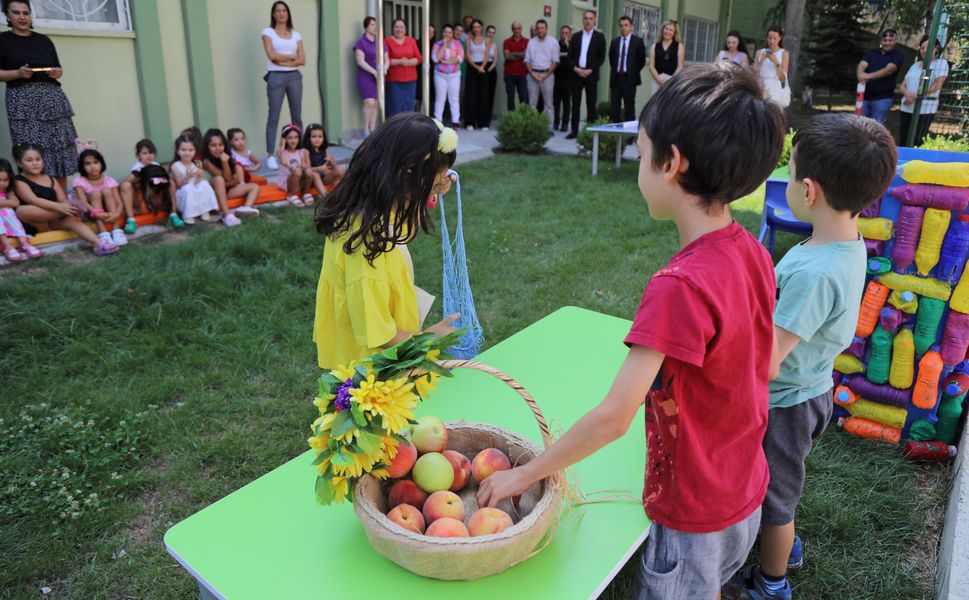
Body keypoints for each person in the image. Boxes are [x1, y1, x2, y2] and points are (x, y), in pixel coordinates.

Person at [476, 63, 785, 599]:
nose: (640, 167)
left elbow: (614, 417)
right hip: (745, 489)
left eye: (641, 156)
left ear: (671, 164)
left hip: (692, 513)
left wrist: (525, 474)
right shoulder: (754, 251)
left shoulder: (679, 286)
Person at [723, 114, 897, 600]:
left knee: (778, 497)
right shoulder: (843, 243)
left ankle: (772, 580)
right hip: (811, 389)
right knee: (779, 485)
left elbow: (769, 361)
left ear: (809, 191)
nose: (785, 179)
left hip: (785, 403)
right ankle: (781, 547)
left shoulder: (815, 274)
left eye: (790, 169)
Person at [313, 113, 460, 369]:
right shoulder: (367, 246)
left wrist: (429, 193)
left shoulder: (373, 209)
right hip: (369, 373)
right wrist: (430, 338)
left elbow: (403, 233)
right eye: (434, 182)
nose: (439, 185)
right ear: (407, 174)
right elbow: (381, 336)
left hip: (382, 355)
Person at [0, 1, 79, 192]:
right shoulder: (2, 40)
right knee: (31, 152)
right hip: (23, 101)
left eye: (26, 13)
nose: (22, 17)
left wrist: (56, 72)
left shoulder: (43, 40)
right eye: (16, 13)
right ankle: (37, 200)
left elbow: (58, 68)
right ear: (7, 16)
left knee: (59, 151)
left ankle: (62, 201)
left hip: (52, 98)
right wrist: (18, 73)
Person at [14, 143, 118, 256]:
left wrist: (68, 206)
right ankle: (66, 213)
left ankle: (98, 244)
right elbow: (33, 200)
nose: (35, 163)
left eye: (38, 159)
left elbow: (63, 199)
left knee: (73, 218)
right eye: (29, 160)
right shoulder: (19, 180)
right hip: (36, 223)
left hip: (55, 221)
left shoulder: (50, 179)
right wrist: (60, 208)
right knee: (22, 210)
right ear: (19, 163)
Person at [261, 1, 305, 170]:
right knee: (274, 116)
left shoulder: (296, 34)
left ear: (288, 13)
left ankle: (299, 151)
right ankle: (271, 154)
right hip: (276, 77)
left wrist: (284, 60)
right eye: (277, 11)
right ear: (273, 14)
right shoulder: (268, 32)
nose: (281, 13)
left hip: (294, 77)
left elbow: (303, 60)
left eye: (284, 10)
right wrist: (292, 59)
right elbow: (272, 56)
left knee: (297, 116)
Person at [119, 139, 183, 232]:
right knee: (126, 185)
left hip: (156, 199)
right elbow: (124, 183)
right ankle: (131, 221)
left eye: (151, 152)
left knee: (171, 182)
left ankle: (173, 214)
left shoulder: (156, 165)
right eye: (144, 153)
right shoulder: (137, 167)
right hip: (142, 201)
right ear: (138, 155)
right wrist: (139, 173)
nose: (148, 155)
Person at [201, 128, 260, 226]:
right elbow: (225, 179)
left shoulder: (228, 157)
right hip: (212, 192)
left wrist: (226, 164)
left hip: (226, 189)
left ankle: (246, 208)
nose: (217, 148)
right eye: (213, 145)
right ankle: (227, 215)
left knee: (255, 186)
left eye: (220, 145)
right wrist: (225, 164)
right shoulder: (206, 161)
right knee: (219, 179)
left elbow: (233, 180)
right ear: (207, 147)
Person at [899, 35, 949, 147]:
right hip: (906, 106)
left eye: (928, 47)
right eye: (922, 48)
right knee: (903, 139)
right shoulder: (915, 65)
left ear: (936, 48)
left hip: (925, 109)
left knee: (917, 140)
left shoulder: (941, 64)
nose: (925, 50)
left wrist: (916, 96)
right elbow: (902, 86)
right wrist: (907, 94)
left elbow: (937, 85)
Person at [72, 149, 125, 247]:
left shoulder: (109, 180)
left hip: (111, 214)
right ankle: (103, 233)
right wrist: (97, 213)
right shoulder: (80, 181)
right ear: (82, 167)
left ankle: (116, 229)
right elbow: (83, 202)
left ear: (101, 163)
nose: (92, 166)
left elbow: (119, 202)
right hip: (91, 214)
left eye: (95, 162)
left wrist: (117, 214)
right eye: (87, 164)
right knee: (95, 194)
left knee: (107, 191)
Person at [566, 10, 606, 139]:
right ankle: (574, 131)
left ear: (594, 20)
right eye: (586, 18)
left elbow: (601, 57)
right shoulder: (576, 36)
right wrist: (576, 68)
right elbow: (570, 56)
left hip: (591, 75)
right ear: (583, 20)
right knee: (576, 104)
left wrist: (590, 70)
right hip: (576, 74)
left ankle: (590, 133)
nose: (588, 21)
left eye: (590, 18)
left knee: (591, 104)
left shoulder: (599, 37)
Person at [856, 29, 903, 126]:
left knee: (876, 128)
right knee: (858, 125)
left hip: (883, 98)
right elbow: (862, 65)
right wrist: (860, 75)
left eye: (890, 40)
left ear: (895, 41)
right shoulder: (872, 52)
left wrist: (868, 76)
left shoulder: (897, 55)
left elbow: (889, 69)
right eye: (885, 40)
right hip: (864, 97)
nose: (887, 43)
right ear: (881, 41)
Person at [170, 134, 218, 225]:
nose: (187, 153)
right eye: (183, 150)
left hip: (194, 193)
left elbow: (197, 183)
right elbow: (180, 185)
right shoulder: (175, 166)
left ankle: (204, 209)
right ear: (177, 151)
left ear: (195, 151)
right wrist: (187, 177)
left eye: (190, 150)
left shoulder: (196, 163)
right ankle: (188, 214)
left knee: (204, 183)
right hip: (183, 195)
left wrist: (199, 176)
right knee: (188, 187)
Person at [0, 157, 41, 261]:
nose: (2, 184)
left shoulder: (7, 191)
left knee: (8, 211)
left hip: (8, 217)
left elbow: (15, 202)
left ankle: (24, 242)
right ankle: (6, 245)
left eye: (5, 180)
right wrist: (6, 203)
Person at [609, 16, 647, 124]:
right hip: (616, 78)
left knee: (629, 107)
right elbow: (612, 59)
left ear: (631, 27)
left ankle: (629, 136)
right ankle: (614, 134)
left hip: (629, 79)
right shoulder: (614, 42)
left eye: (626, 25)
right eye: (621, 26)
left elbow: (641, 61)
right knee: (614, 108)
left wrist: (631, 71)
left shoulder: (638, 41)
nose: (623, 28)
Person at [384, 18, 422, 118]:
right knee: (394, 107)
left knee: (409, 107)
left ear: (405, 29)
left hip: (411, 80)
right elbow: (384, 60)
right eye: (396, 27)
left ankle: (407, 131)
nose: (399, 29)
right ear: (393, 28)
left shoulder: (411, 41)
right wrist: (400, 62)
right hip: (394, 80)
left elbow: (419, 58)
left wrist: (410, 62)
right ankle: (394, 131)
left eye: (401, 27)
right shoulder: (387, 41)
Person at [524, 19, 558, 127]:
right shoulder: (531, 42)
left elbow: (555, 61)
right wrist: (533, 74)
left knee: (548, 104)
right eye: (538, 28)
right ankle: (532, 126)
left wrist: (546, 76)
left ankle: (549, 128)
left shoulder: (553, 42)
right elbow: (527, 60)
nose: (540, 30)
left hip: (547, 75)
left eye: (542, 28)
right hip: (532, 74)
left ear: (546, 29)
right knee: (532, 103)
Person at [463, 19, 493, 130]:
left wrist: (482, 66)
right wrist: (476, 67)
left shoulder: (487, 39)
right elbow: (468, 55)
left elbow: (487, 54)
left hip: (483, 68)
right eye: (474, 27)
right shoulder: (468, 40)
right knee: (471, 95)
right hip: (472, 68)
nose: (476, 29)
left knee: (483, 95)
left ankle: (483, 123)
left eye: (478, 27)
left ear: (481, 27)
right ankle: (470, 123)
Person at [432, 24, 463, 126]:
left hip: (454, 74)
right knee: (440, 98)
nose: (447, 34)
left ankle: (455, 121)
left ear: (452, 33)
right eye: (445, 32)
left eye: (450, 32)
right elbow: (435, 59)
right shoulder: (437, 44)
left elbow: (460, 59)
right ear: (442, 33)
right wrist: (444, 47)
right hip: (440, 74)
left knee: (454, 98)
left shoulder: (457, 44)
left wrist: (445, 62)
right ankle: (438, 121)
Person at [276, 123, 314, 207]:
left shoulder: (302, 151)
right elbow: (283, 162)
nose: (293, 140)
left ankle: (305, 193)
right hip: (287, 182)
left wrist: (304, 166)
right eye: (290, 138)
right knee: (297, 171)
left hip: (299, 181)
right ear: (284, 139)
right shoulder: (281, 152)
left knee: (309, 171)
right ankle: (291, 195)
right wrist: (282, 145)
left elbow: (306, 166)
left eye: (296, 137)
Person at [353, 16, 379, 138]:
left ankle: (373, 129)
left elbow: (386, 57)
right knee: (369, 101)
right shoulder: (361, 42)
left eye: (376, 24)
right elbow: (360, 61)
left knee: (375, 103)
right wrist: (374, 72)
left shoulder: (379, 42)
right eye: (372, 24)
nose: (375, 27)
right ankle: (366, 129)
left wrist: (385, 67)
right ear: (366, 26)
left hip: (378, 77)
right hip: (365, 76)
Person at [755, 25, 791, 110]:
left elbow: (783, 77)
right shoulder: (760, 52)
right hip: (761, 88)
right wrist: (760, 63)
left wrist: (776, 62)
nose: (772, 41)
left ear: (780, 38)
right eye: (769, 38)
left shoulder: (784, 53)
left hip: (775, 90)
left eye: (775, 38)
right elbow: (754, 74)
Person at [303, 123, 342, 197]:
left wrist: (331, 162)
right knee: (315, 175)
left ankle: (341, 192)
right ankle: (325, 195)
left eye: (320, 136)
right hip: (311, 180)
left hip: (324, 178)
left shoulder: (325, 149)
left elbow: (332, 166)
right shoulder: (306, 151)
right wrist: (320, 168)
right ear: (308, 137)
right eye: (314, 136)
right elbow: (307, 170)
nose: (317, 139)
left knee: (340, 170)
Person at [648, 20, 684, 95]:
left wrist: (671, 80)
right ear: (662, 30)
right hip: (657, 80)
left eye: (671, 30)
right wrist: (659, 80)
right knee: (656, 105)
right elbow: (651, 66)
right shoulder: (655, 46)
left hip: (672, 81)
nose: (668, 31)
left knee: (670, 105)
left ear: (674, 33)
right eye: (666, 29)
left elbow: (680, 66)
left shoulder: (679, 46)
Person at [503, 21, 529, 111]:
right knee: (510, 97)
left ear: (521, 29)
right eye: (515, 28)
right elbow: (507, 56)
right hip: (509, 74)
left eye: (518, 28)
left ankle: (523, 119)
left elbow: (527, 55)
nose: (517, 30)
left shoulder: (527, 41)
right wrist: (521, 55)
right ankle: (511, 118)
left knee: (523, 98)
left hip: (522, 73)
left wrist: (513, 53)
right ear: (512, 29)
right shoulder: (507, 41)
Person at [553, 25, 573, 132]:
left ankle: (565, 124)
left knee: (566, 103)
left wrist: (567, 48)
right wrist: (564, 54)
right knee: (556, 102)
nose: (564, 35)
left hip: (568, 78)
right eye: (562, 33)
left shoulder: (572, 45)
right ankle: (556, 122)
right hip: (557, 77)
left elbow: (573, 55)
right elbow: (553, 55)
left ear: (570, 35)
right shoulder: (556, 44)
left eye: (566, 33)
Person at [484, 25, 499, 127]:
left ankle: (487, 120)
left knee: (489, 95)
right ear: (486, 32)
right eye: (489, 32)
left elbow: (495, 61)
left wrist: (488, 70)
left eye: (493, 32)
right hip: (480, 68)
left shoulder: (495, 45)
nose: (491, 34)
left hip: (490, 70)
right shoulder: (480, 43)